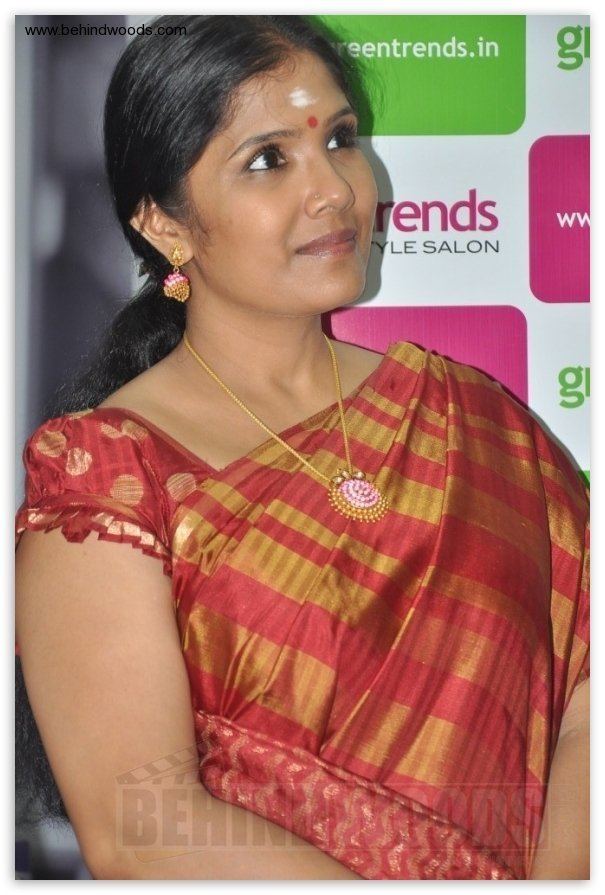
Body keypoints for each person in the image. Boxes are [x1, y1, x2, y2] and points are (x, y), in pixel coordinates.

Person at [15, 14, 589, 881]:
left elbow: (587, 701)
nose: (333, 190)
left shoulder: (479, 420)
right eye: (268, 159)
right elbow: (144, 823)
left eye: (341, 139)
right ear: (166, 225)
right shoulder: (109, 477)